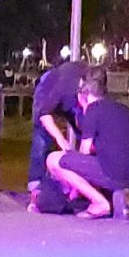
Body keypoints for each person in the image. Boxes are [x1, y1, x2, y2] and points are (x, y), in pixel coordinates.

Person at [47, 72, 129, 219]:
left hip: (115, 173)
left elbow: (83, 153)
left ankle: (100, 203)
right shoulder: (126, 111)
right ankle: (128, 200)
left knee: (53, 160)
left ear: (83, 95)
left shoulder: (93, 109)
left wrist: (75, 190)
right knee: (112, 178)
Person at [26, 58, 86, 215]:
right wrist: (61, 139)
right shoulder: (59, 89)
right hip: (48, 89)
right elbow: (44, 115)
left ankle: (82, 184)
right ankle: (36, 187)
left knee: (85, 133)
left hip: (73, 94)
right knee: (42, 140)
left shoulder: (90, 87)